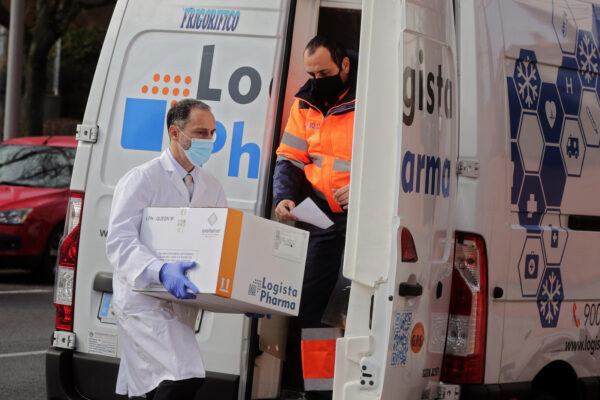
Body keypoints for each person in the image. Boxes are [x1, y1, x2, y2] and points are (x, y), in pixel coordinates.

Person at [106, 99, 226, 399]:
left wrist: (245, 298)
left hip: (181, 302)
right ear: (175, 133)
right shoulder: (142, 179)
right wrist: (161, 269)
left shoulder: (212, 186)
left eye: (212, 133)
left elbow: (221, 245)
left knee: (145, 386)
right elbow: (119, 241)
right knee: (183, 374)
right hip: (142, 300)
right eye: (200, 133)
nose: (208, 141)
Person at [273, 35, 357, 400]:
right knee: (314, 306)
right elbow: (290, 158)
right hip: (323, 219)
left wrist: (364, 187)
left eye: (323, 72)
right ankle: (319, 394)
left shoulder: (370, 97)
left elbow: (397, 157)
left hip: (364, 220)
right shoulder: (305, 103)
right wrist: (284, 198)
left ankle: (352, 391)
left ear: (345, 67)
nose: (316, 79)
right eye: (311, 72)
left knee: (355, 307)